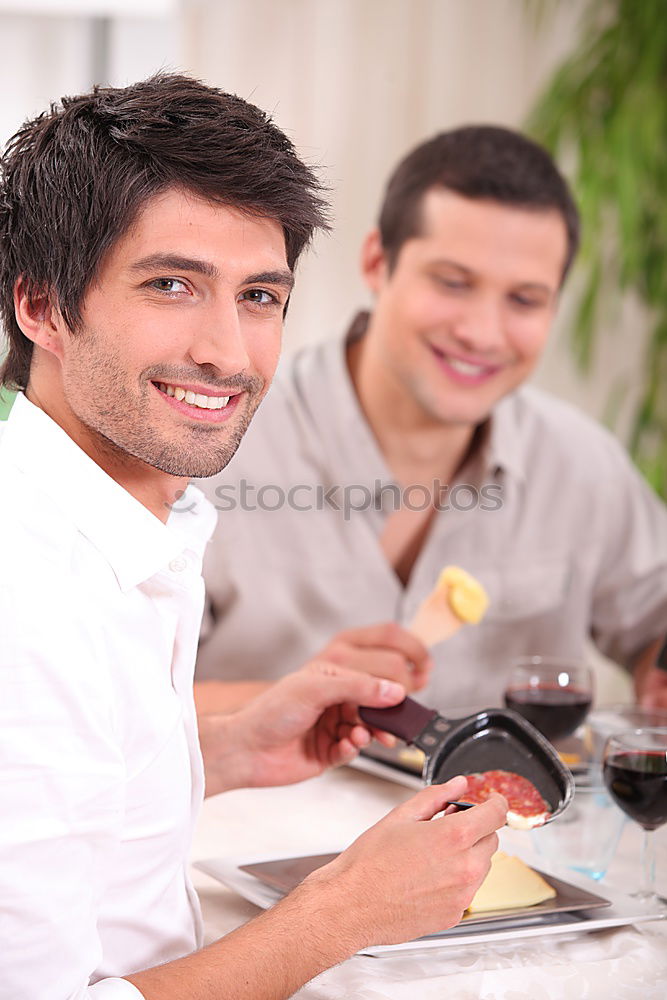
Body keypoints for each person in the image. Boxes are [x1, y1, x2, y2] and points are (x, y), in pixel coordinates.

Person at [0, 75, 508, 1000]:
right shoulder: (24, 596)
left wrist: (225, 750)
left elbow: (71, 799)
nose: (229, 353)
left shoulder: (129, 519)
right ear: (40, 307)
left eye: (260, 296)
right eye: (171, 285)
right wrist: (344, 910)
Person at [195, 126, 667, 714]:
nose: (482, 333)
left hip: (510, 807)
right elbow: (122, 700)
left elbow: (655, 624)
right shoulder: (213, 441)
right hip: (260, 805)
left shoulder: (580, 463)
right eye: (452, 282)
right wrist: (306, 695)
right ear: (377, 262)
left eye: (524, 300)